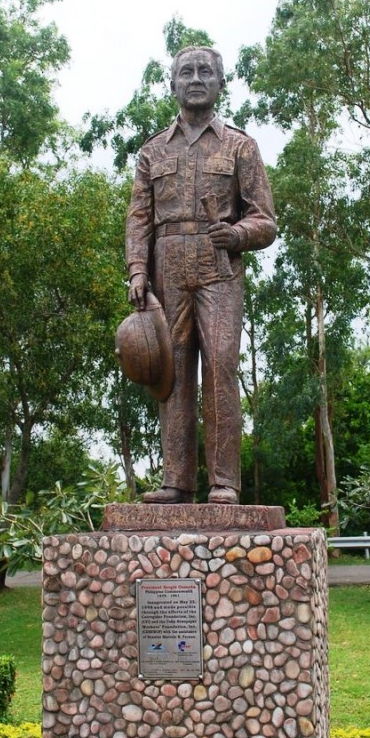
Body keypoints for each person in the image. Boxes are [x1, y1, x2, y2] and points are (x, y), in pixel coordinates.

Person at [126, 46, 276, 504]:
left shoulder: (240, 146)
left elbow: (266, 220)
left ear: (220, 82)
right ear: (172, 83)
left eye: (205, 72)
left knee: (221, 371)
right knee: (169, 375)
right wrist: (136, 269)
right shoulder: (152, 151)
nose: (195, 79)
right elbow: (139, 218)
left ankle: (224, 483)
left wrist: (236, 234)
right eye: (186, 72)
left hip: (219, 266)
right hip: (166, 269)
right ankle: (176, 481)